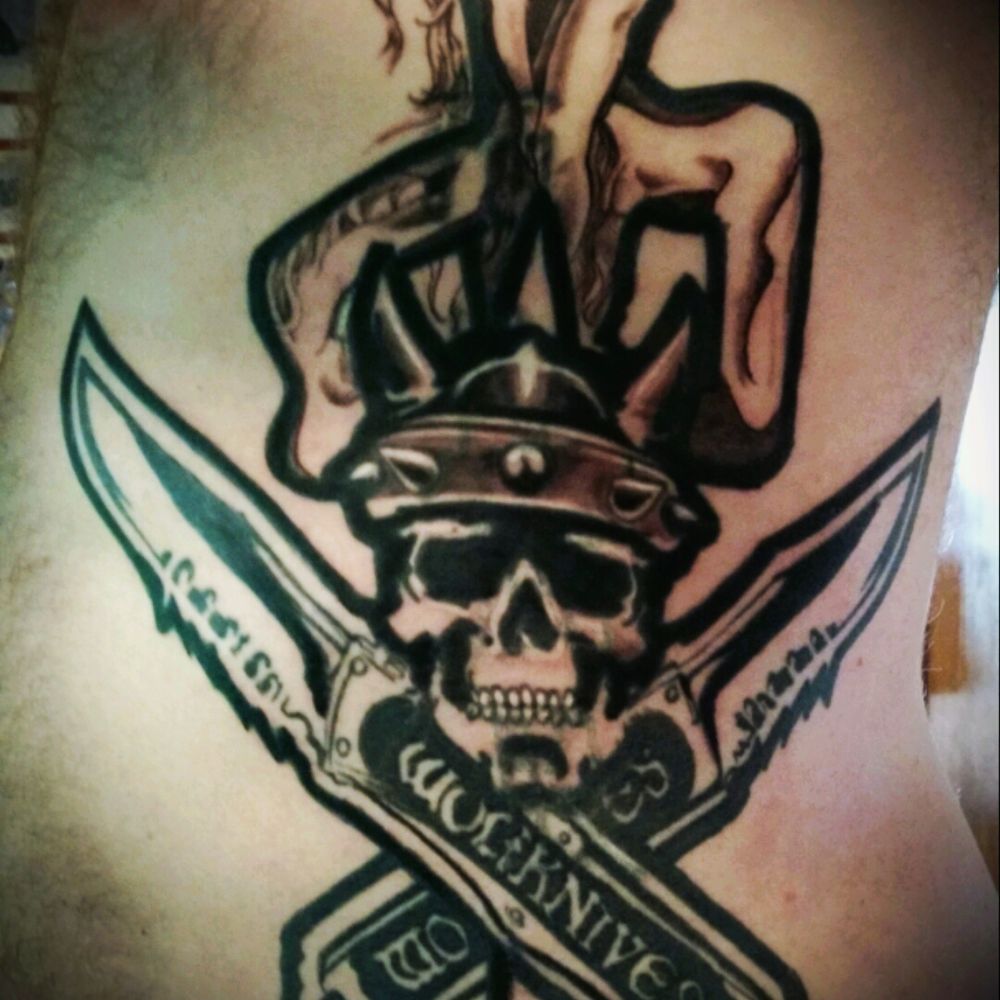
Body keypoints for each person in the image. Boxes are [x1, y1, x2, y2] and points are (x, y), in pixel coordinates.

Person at [1, 2, 996, 998]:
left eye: (588, 579)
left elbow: (745, 406)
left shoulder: (742, 147)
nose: (524, 627)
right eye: (463, 565)